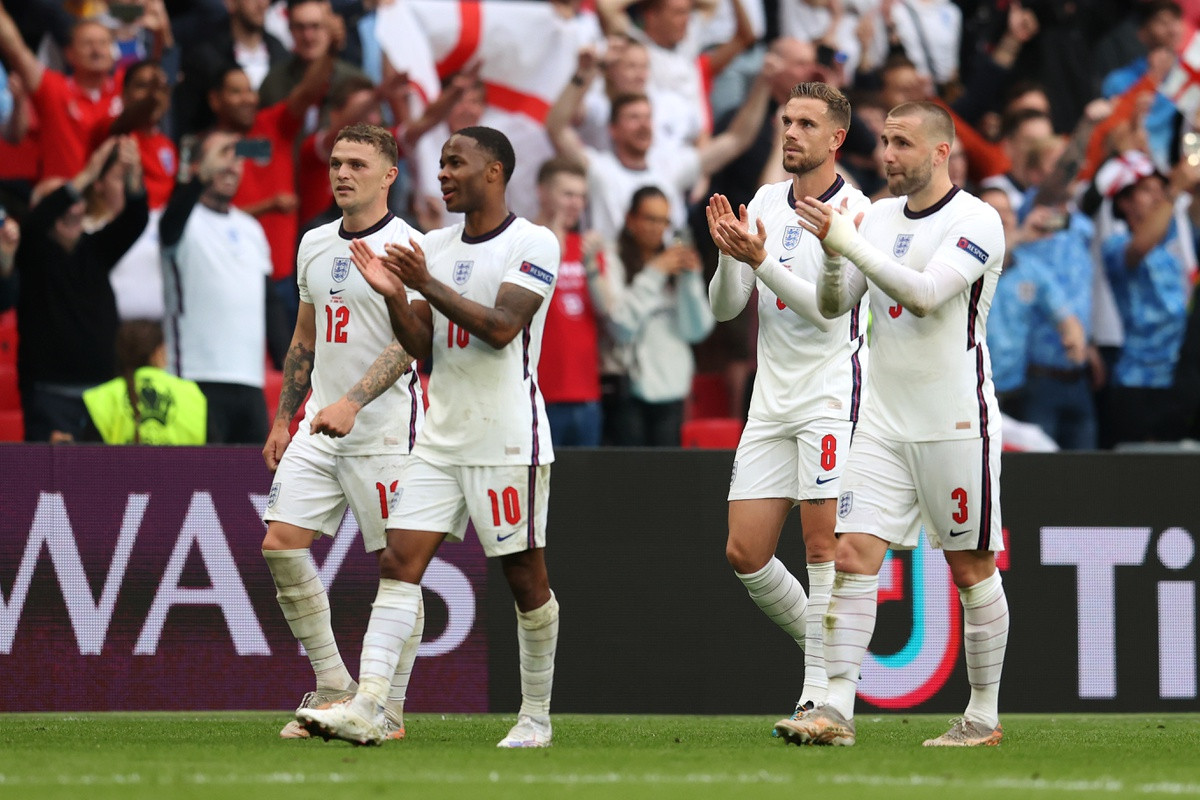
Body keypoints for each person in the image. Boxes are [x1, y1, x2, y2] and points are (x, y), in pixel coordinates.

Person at [299, 126, 561, 748]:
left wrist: (423, 283)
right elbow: (424, 350)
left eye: (455, 163)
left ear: (494, 172)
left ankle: (535, 717)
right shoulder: (435, 247)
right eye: (440, 164)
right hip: (439, 438)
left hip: (506, 439)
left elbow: (501, 329)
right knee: (398, 561)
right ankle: (370, 705)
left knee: (525, 579)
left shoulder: (533, 241)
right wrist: (395, 296)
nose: (442, 174)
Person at [787, 101, 1009, 747]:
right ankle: (834, 710)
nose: (887, 155)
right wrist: (834, 257)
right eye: (884, 141)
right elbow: (835, 306)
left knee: (970, 568)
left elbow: (925, 295)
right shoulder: (877, 216)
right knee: (853, 555)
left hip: (954, 421)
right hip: (881, 421)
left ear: (942, 152)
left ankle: (983, 716)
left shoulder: (977, 220)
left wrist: (846, 239)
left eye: (903, 143)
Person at [706, 81, 869, 733]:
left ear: (835, 138)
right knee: (744, 552)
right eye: (786, 120)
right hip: (770, 401)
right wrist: (729, 259)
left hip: (832, 393)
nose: (791, 132)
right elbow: (724, 308)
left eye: (806, 123)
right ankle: (828, 658)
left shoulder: (856, 211)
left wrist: (761, 261)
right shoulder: (767, 203)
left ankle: (817, 699)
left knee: (821, 544)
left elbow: (828, 312)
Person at [261, 123, 426, 741]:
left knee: (396, 566)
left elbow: (410, 344)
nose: (341, 174)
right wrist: (284, 417)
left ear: (389, 175)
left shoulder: (411, 245)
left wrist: (355, 401)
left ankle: (389, 707)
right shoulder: (313, 243)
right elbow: (305, 336)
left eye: (357, 163)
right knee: (281, 545)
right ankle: (334, 685)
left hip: (384, 431)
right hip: (317, 425)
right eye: (335, 163)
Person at [159, 130, 286, 444]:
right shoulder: (181, 219)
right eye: (222, 156)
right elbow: (170, 223)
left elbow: (268, 302)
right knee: (199, 484)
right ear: (198, 167)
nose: (232, 166)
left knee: (250, 484)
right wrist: (200, 178)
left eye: (237, 158)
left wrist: (288, 361)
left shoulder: (251, 228)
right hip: (193, 376)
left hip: (248, 381)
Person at [17, 137, 148, 441]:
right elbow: (36, 223)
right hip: (50, 395)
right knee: (48, 485)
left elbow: (135, 219)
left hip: (103, 395)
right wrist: (88, 173)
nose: (74, 205)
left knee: (101, 484)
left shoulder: (96, 249)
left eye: (77, 199)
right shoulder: (33, 252)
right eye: (63, 199)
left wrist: (132, 175)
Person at [596, 186, 713, 446]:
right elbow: (620, 325)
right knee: (631, 479)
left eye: (663, 221)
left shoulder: (674, 258)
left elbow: (696, 331)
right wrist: (655, 272)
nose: (657, 227)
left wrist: (691, 280)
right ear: (630, 219)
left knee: (666, 477)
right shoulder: (611, 257)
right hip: (627, 388)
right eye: (650, 219)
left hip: (671, 388)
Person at [534, 156, 606, 447]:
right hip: (539, 394)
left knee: (584, 490)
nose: (576, 203)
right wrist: (551, 250)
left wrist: (592, 267)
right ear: (542, 192)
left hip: (588, 394)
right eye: (568, 194)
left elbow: (608, 311)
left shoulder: (588, 247)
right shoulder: (523, 242)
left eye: (581, 196)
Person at [81, 319, 207, 444]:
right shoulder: (191, 393)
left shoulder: (103, 397)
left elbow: (89, 457)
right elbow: (215, 454)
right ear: (158, 352)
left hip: (120, 465)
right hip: (182, 465)